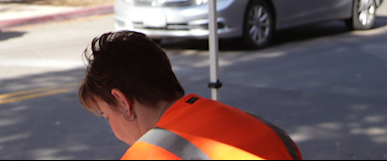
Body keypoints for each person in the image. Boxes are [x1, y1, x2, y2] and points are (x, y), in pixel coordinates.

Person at [78, 31, 301, 160]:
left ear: (123, 102)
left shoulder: (147, 155)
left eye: (107, 116)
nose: (113, 131)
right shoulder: (270, 132)